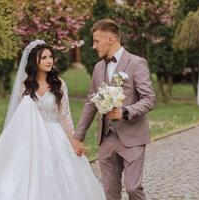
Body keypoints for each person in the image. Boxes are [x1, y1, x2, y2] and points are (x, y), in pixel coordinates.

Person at [0, 39, 105, 200]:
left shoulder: (59, 84)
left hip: (55, 135)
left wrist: (74, 140)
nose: (49, 61)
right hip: (30, 138)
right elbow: (20, 118)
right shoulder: (24, 87)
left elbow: (65, 116)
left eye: (50, 57)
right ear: (35, 61)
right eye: (44, 58)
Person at [71, 19, 157, 200]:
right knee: (110, 192)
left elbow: (149, 99)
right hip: (106, 138)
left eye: (96, 41)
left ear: (110, 39)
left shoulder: (136, 63)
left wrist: (124, 112)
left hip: (132, 136)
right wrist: (78, 136)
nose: (94, 46)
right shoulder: (98, 67)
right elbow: (90, 102)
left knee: (133, 189)